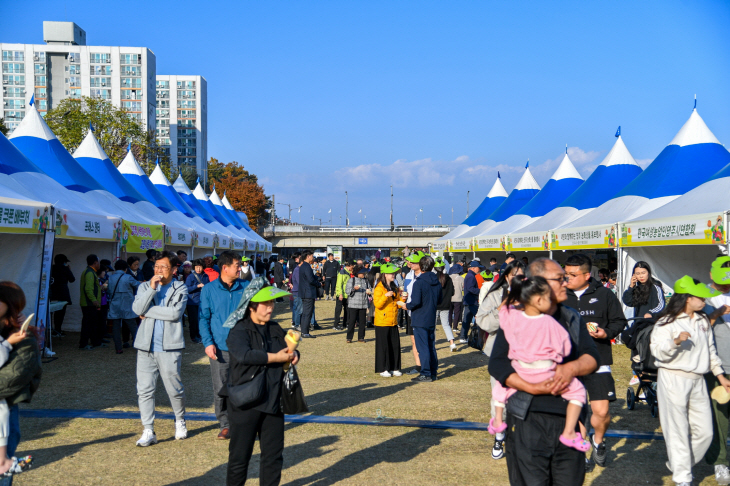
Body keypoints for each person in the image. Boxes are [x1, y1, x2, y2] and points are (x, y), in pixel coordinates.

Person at [489, 258, 600, 486]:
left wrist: (572, 367)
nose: (565, 283)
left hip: (568, 419)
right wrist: (530, 386)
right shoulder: (517, 318)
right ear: (539, 285)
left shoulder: (570, 317)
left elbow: (592, 357)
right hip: (526, 418)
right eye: (560, 279)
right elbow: (498, 364)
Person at [489, 276, 590, 452]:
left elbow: (504, 316)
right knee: (578, 391)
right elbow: (565, 347)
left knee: (501, 386)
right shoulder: (549, 322)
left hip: (521, 369)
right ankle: (569, 432)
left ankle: (497, 420)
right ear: (538, 300)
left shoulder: (513, 320)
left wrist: (510, 302)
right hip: (546, 370)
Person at [651, 276, 730, 486]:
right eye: (700, 297)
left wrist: (720, 376)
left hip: (698, 380)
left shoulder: (703, 320)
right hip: (673, 378)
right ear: (687, 298)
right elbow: (657, 351)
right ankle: (682, 479)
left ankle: (679, 464)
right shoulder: (665, 322)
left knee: (705, 432)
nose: (705, 300)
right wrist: (675, 341)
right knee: (676, 430)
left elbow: (711, 351)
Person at [224, 281, 300, 485]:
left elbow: (288, 348)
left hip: (274, 400)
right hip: (245, 401)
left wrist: (294, 355)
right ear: (252, 306)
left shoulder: (275, 328)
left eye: (272, 303)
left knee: (273, 456)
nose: (271, 307)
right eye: (266, 304)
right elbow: (244, 355)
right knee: (240, 457)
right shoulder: (238, 330)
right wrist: (275, 358)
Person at [562, 253, 627, 470]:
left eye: (572, 274)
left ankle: (598, 441)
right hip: (569, 364)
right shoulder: (559, 295)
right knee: (577, 411)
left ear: (587, 275)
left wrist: (605, 333)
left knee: (601, 412)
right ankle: (582, 454)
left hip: (598, 361)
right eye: (565, 273)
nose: (567, 278)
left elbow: (619, 321)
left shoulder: (605, 294)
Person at [132, 251, 189, 447]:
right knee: (144, 390)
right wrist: (150, 290)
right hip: (145, 347)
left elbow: (175, 314)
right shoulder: (144, 286)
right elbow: (136, 309)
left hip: (170, 347)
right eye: (156, 267)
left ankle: (180, 420)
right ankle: (148, 429)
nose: (158, 270)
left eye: (163, 267)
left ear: (174, 270)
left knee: (174, 389)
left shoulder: (180, 287)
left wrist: (147, 312)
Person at [476, 260, 524, 460]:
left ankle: (521, 440)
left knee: (524, 399)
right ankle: (499, 436)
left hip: (525, 356)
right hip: (500, 355)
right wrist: (502, 310)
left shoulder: (533, 296)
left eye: (523, 276)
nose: (520, 280)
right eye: (515, 276)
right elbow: (482, 320)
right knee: (499, 399)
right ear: (506, 277)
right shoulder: (496, 296)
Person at [199, 251, 250, 440]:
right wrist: (208, 343)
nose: (240, 267)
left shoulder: (246, 287)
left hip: (244, 347)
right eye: (237, 264)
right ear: (225, 267)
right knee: (221, 388)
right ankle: (225, 424)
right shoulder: (209, 290)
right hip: (219, 347)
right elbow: (204, 318)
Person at [0, 282, 41, 478]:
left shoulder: (23, 337)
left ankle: (4, 463)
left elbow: (14, 377)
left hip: (5, 403)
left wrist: (8, 342)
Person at [702, 256, 730, 484]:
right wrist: (717, 313)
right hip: (719, 366)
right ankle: (720, 461)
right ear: (712, 274)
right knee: (719, 416)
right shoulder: (703, 296)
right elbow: (697, 328)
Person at [400, 255, 441, 382]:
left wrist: (406, 306)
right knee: (430, 345)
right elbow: (439, 299)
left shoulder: (419, 281)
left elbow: (415, 301)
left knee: (422, 347)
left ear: (421, 266)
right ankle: (432, 371)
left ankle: (425, 373)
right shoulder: (436, 280)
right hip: (431, 316)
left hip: (419, 317)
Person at [374, 264, 402, 377]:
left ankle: (394, 367)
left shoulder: (395, 287)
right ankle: (383, 368)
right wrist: (385, 295)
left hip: (393, 321)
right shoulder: (379, 287)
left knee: (395, 345)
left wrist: (403, 298)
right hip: (382, 322)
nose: (393, 275)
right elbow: (377, 304)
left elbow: (398, 304)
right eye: (391, 273)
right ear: (385, 274)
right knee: (383, 346)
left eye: (394, 273)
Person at [107, 260, 141, 354]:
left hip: (115, 305)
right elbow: (138, 286)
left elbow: (109, 291)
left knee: (116, 327)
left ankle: (118, 348)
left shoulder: (111, 278)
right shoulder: (128, 277)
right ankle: (138, 346)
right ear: (126, 268)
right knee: (133, 326)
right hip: (127, 304)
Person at [403, 251, 426, 373]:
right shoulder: (408, 275)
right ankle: (418, 366)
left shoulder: (427, 275)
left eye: (413, 261)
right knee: (413, 340)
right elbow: (406, 292)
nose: (410, 263)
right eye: (409, 261)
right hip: (410, 312)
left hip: (423, 312)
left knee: (424, 340)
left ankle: (426, 366)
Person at [79, 254, 104, 350]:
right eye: (98, 262)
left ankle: (95, 342)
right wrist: (94, 300)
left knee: (93, 324)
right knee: (88, 324)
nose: (99, 265)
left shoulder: (91, 272)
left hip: (90, 303)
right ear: (95, 263)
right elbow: (88, 289)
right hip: (88, 303)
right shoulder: (89, 273)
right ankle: (83, 344)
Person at [185, 259, 210, 344]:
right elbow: (186, 289)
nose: (198, 269)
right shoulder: (191, 276)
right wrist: (197, 286)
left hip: (202, 301)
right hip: (192, 302)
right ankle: (193, 336)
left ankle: (200, 335)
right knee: (193, 320)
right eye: (196, 267)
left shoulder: (206, 276)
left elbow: (208, 287)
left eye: (200, 267)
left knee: (201, 319)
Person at [50, 253, 75, 338]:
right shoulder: (65, 269)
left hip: (51, 293)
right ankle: (57, 330)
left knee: (49, 312)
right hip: (62, 294)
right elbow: (72, 279)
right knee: (60, 313)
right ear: (64, 261)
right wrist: (69, 270)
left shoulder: (50, 268)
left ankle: (50, 329)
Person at [434, 258, 456, 352]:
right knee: (446, 324)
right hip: (446, 305)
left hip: (435, 305)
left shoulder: (433, 277)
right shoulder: (449, 278)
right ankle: (452, 343)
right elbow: (452, 292)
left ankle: (432, 344)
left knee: (432, 325)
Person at [459, 260, 483, 344]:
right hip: (471, 301)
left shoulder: (470, 275)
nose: (479, 269)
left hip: (469, 301)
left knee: (467, 320)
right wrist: (481, 290)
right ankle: (476, 337)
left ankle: (463, 337)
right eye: (478, 268)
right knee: (478, 318)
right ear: (474, 268)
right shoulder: (471, 276)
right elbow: (470, 289)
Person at [346, 266, 370, 343]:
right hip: (353, 304)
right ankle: (349, 338)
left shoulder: (366, 281)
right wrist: (354, 289)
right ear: (357, 273)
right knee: (352, 322)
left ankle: (361, 337)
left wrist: (369, 292)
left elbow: (370, 290)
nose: (363, 274)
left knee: (363, 322)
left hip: (363, 304)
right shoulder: (351, 280)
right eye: (362, 272)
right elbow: (347, 291)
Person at [298, 250, 318, 338]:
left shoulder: (303, 266)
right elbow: (310, 280)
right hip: (308, 293)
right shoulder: (306, 266)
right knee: (307, 313)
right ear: (308, 256)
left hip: (305, 292)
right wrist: (318, 283)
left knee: (306, 313)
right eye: (312, 256)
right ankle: (305, 332)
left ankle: (304, 331)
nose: (313, 257)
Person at [334, 261, 353, 331]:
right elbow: (339, 284)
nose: (353, 267)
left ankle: (346, 323)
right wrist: (340, 294)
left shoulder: (348, 273)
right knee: (338, 310)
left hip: (347, 295)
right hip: (341, 295)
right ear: (350, 265)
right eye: (352, 266)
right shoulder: (342, 273)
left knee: (347, 310)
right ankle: (336, 324)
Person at [448, 264, 464, 333]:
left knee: (450, 313)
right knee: (457, 313)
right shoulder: (461, 278)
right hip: (458, 297)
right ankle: (455, 327)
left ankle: (449, 326)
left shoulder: (448, 277)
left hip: (449, 297)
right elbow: (463, 288)